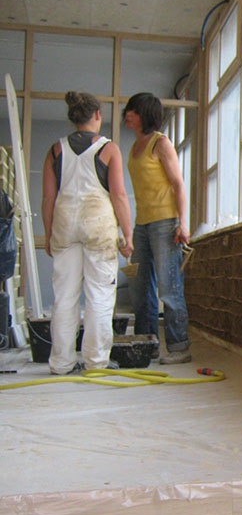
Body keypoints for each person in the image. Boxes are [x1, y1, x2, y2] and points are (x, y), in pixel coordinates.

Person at [42, 91, 134, 375]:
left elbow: (48, 198)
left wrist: (48, 235)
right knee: (99, 296)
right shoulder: (109, 149)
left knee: (65, 297)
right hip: (98, 225)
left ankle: (61, 363)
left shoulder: (55, 150)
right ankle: (95, 363)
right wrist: (127, 236)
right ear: (97, 116)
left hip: (65, 224)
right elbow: (118, 194)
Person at [123, 92, 191, 364]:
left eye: (134, 111)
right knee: (139, 287)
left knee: (168, 288)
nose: (128, 114)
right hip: (142, 224)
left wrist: (182, 224)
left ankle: (179, 347)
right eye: (128, 110)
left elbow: (178, 184)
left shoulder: (161, 143)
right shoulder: (134, 145)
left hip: (165, 223)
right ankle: (146, 343)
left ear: (146, 115)